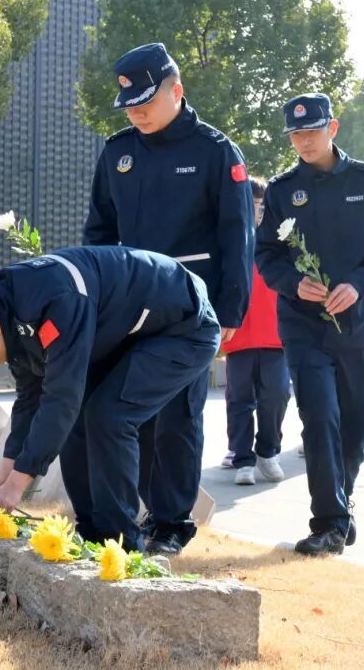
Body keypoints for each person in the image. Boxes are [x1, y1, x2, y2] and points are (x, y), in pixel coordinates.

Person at [0, 246, 220, 553]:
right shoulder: (9, 310)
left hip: (183, 326)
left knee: (108, 416)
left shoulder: (55, 301)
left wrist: (17, 485)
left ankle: (122, 546)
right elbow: (31, 398)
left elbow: (61, 398)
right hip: (129, 333)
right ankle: (93, 533)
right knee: (80, 415)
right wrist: (6, 469)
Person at [83, 43, 254, 554]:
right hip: (130, 306)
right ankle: (137, 511)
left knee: (179, 414)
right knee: (128, 408)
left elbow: (237, 235)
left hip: (191, 309)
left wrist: (231, 308)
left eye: (146, 102)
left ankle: (173, 521)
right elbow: (99, 231)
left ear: (176, 90)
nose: (136, 113)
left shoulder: (216, 151)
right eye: (129, 106)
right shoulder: (118, 152)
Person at [256, 92, 364, 556]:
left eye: (312, 131)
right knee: (319, 416)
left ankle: (341, 506)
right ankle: (327, 523)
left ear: (333, 128)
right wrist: (292, 283)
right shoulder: (282, 190)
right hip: (303, 326)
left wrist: (359, 285)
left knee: (358, 420)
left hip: (358, 323)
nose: (304, 141)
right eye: (295, 134)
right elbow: (266, 254)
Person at [221, 177, 290, 486]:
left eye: (261, 205)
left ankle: (268, 451)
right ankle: (242, 458)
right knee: (239, 399)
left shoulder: (281, 241)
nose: (256, 211)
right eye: (250, 204)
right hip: (238, 335)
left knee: (277, 394)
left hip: (276, 334)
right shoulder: (227, 240)